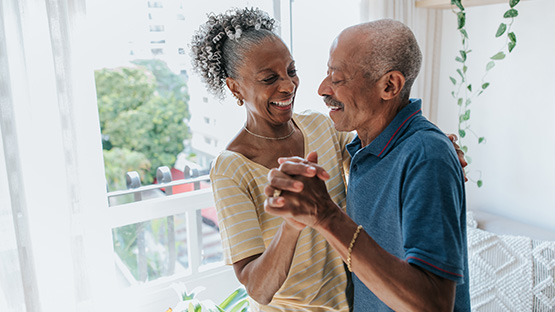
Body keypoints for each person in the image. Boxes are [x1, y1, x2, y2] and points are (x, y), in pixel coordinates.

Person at [264, 19, 471, 311]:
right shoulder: (362, 149)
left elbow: (432, 304)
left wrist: (325, 215)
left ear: (389, 85)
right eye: (327, 73)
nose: (323, 88)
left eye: (337, 78)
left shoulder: (427, 155)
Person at [190, 7, 353, 311]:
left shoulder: (320, 126)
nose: (289, 86)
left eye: (291, 71)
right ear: (235, 87)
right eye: (269, 78)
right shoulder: (232, 169)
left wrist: (428, 143)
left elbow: (378, 147)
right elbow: (257, 288)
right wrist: (291, 225)